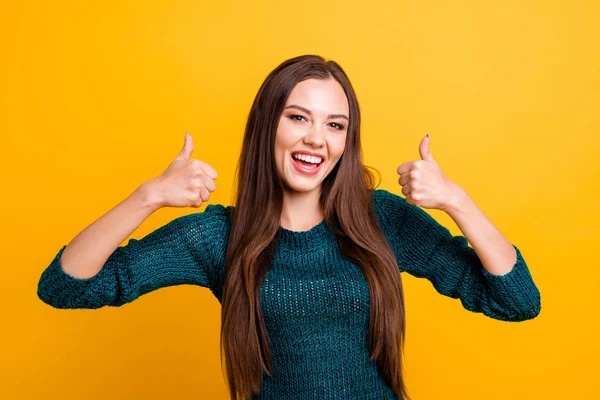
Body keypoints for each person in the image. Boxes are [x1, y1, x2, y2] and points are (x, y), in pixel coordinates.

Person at [37, 55, 542, 400]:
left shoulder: (380, 218)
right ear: (268, 125)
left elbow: (518, 301)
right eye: (299, 117)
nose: (317, 139)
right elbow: (64, 286)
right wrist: (147, 197)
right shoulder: (218, 237)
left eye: (335, 125)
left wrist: (456, 200)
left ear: (347, 140)